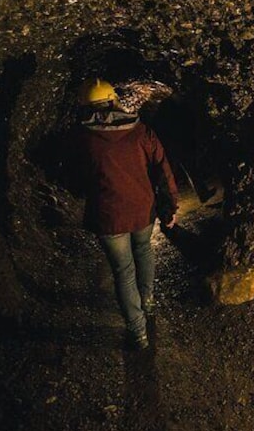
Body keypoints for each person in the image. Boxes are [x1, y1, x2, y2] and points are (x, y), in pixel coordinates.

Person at [75, 78, 179, 349]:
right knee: (143, 249)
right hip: (142, 209)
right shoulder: (141, 131)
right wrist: (170, 206)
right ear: (114, 100)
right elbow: (162, 170)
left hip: (108, 216)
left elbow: (77, 178)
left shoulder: (84, 139)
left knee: (123, 271)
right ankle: (147, 300)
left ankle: (138, 332)